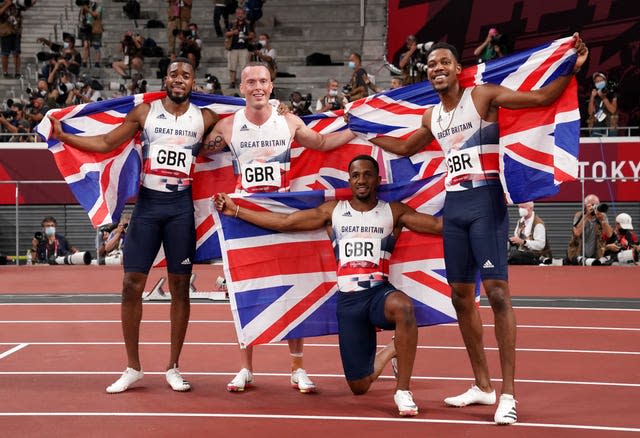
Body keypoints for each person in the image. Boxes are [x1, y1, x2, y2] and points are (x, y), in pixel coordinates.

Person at [367, 34, 588, 425]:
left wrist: (572, 66)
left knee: (498, 294)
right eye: (431, 64)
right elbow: (403, 149)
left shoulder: (482, 96)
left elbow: (539, 100)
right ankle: (482, 386)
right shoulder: (431, 117)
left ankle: (508, 394)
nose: (436, 68)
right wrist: (360, 129)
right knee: (460, 296)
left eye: (443, 63)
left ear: (457, 69)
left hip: (486, 202)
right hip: (455, 209)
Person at [215, 155, 442, 415]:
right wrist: (236, 211)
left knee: (403, 306)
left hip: (379, 293)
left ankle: (403, 391)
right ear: (349, 180)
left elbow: (436, 225)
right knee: (359, 386)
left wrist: (479, 215)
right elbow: (285, 223)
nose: (361, 180)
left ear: (378, 180)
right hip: (349, 302)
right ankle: (394, 348)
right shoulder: (334, 211)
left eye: (367, 174)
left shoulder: (393, 211)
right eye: (356, 175)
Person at [48, 58, 221, 393]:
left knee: (180, 286)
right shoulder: (145, 113)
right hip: (148, 206)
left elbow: (244, 125)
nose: (179, 79)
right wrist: (64, 135)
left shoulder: (206, 118)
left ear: (193, 83)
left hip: (181, 209)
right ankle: (133, 367)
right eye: (174, 74)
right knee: (131, 283)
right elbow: (105, 143)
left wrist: (273, 109)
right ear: (166, 80)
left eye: (186, 75)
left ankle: (173, 366)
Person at [204, 61, 356, 393]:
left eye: (263, 81)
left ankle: (297, 367)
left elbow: (322, 144)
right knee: (246, 291)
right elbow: (201, 147)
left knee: (295, 287)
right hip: (243, 214)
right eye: (250, 82)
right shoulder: (227, 126)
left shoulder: (288, 121)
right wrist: (208, 114)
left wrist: (358, 128)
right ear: (242, 88)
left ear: (271, 86)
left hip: (285, 211)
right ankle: (245, 368)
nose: (257, 86)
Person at [567, 194, 613, 265]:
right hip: (579, 254)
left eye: (596, 205)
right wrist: (587, 216)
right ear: (585, 205)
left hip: (596, 255)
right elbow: (577, 233)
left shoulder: (602, 216)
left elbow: (609, 235)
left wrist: (602, 220)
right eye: (592, 205)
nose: (594, 207)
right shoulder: (579, 215)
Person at [225, 7, 250, 88]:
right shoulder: (232, 24)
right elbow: (226, 34)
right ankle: (232, 82)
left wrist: (245, 37)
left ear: (244, 14)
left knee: (244, 66)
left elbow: (252, 35)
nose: (240, 15)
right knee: (232, 66)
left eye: (241, 13)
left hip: (244, 48)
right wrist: (233, 32)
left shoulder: (247, 24)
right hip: (233, 48)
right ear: (236, 14)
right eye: (238, 13)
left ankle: (244, 83)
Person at [587, 72, 618, 137]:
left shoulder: (612, 94)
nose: (599, 82)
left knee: (611, 145)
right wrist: (592, 97)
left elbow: (613, 110)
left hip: (610, 126)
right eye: (597, 81)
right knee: (595, 145)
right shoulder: (594, 95)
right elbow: (590, 113)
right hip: (597, 126)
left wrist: (603, 97)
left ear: (605, 81)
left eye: (601, 80)